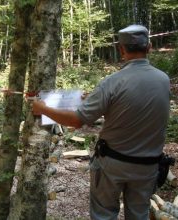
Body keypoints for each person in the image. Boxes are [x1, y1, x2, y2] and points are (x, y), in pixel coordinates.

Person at [31, 24, 170, 220]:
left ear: (121, 49)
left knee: (103, 215)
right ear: (150, 47)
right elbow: (136, 104)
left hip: (113, 164)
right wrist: (98, 97)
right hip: (148, 166)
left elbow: (78, 120)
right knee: (139, 215)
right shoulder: (164, 79)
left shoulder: (113, 82)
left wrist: (42, 109)